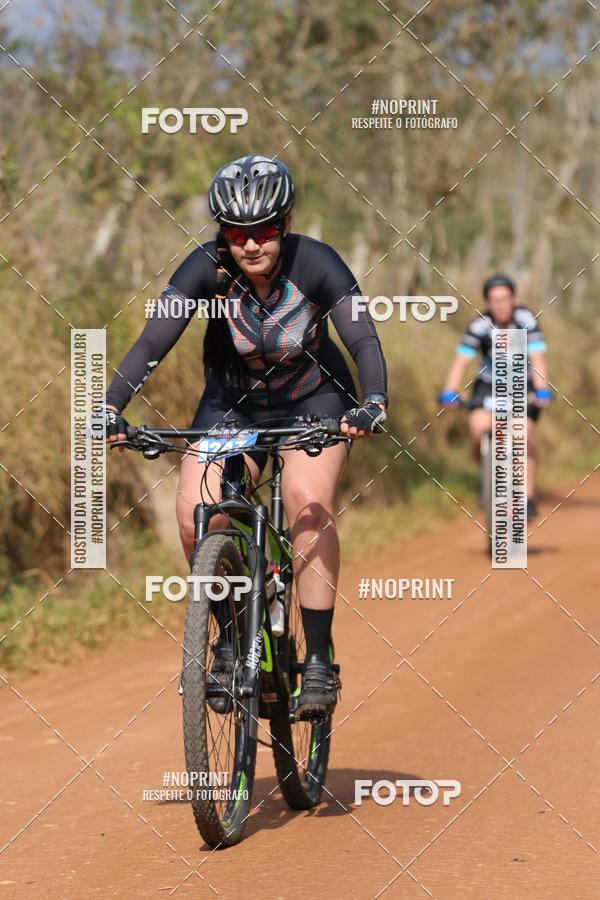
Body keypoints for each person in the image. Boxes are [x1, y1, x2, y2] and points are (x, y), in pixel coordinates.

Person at [100, 155, 388, 716]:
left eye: (264, 232)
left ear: (284, 225)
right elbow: (152, 341)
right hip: (233, 406)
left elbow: (363, 340)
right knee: (197, 514)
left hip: (316, 400)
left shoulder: (318, 263)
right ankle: (231, 640)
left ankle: (319, 658)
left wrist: (373, 401)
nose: (251, 245)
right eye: (236, 234)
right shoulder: (204, 269)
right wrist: (111, 405)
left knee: (306, 501)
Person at [438, 273, 552, 520]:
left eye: (505, 299)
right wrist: (450, 390)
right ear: (488, 303)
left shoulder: (526, 320)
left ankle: (526, 496)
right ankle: (489, 475)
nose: (500, 305)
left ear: (514, 299)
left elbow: (538, 358)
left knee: (520, 437)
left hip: (523, 385)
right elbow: (461, 361)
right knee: (479, 431)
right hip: (488, 385)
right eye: (494, 301)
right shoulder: (480, 325)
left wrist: (542, 389)